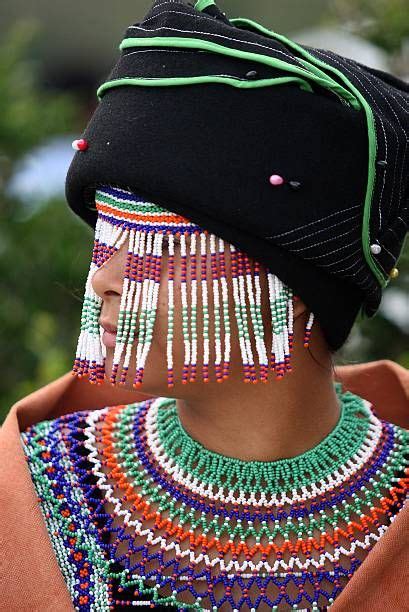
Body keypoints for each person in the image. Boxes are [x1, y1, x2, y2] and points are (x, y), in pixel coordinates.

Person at [1, 1, 408, 610]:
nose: (102, 281)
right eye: (103, 242)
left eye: (151, 246)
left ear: (292, 284)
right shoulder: (35, 484)